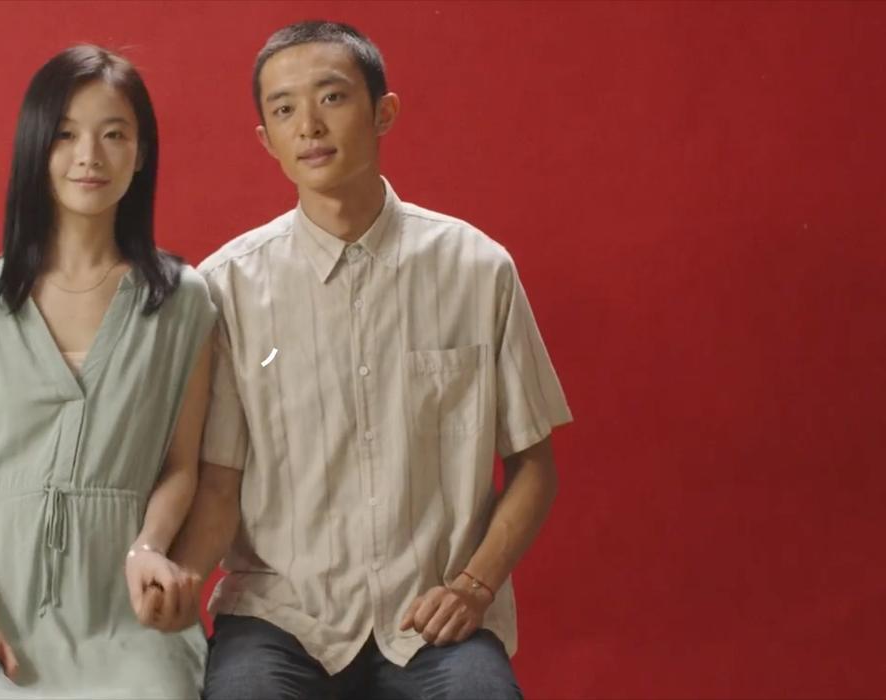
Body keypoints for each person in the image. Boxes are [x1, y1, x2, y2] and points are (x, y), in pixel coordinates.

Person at [144, 21, 573, 699]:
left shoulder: (477, 269)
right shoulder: (228, 287)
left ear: (383, 112)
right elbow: (221, 484)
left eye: (332, 97)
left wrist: (474, 586)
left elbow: (534, 467)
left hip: (433, 617)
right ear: (267, 140)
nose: (309, 125)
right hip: (280, 617)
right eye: (284, 109)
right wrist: (180, 583)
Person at [0, 45, 214, 699]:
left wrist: (149, 548)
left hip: (125, 622)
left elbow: (182, 466)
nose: (89, 156)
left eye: (114, 135)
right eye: (67, 135)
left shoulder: (184, 302)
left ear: (141, 152)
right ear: (36, 146)